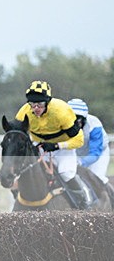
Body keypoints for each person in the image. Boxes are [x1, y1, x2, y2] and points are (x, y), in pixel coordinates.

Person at [15, 81, 97, 209]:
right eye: (32, 105)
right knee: (25, 170)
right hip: (40, 146)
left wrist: (57, 145)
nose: (36, 109)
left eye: (40, 104)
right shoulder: (24, 112)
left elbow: (79, 140)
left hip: (64, 148)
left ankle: (83, 202)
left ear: (47, 102)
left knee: (66, 173)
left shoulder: (62, 111)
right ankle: (20, 202)